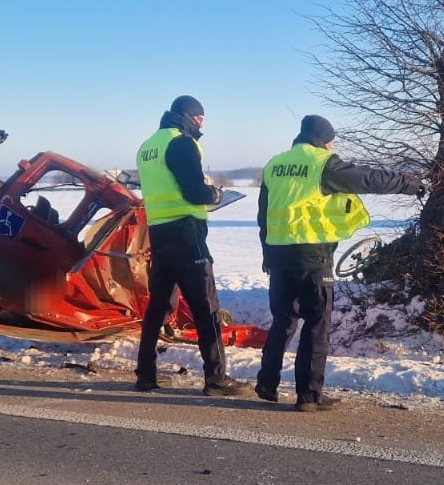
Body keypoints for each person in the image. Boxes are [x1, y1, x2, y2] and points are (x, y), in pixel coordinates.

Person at [255, 115, 424, 412]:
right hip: (312, 254)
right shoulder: (323, 164)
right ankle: (308, 396)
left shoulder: (274, 165)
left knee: (284, 319)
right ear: (324, 139)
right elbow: (368, 178)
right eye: (331, 140)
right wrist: (409, 184)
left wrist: (267, 256)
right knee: (317, 324)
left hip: (279, 255)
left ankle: (266, 383)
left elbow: (263, 216)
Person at [134, 95, 249, 396]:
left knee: (158, 306)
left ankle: (145, 375)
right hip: (187, 235)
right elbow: (194, 192)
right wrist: (214, 194)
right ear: (190, 117)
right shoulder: (181, 143)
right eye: (200, 119)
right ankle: (216, 379)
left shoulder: (147, 147)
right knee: (205, 307)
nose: (201, 125)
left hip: (159, 234)